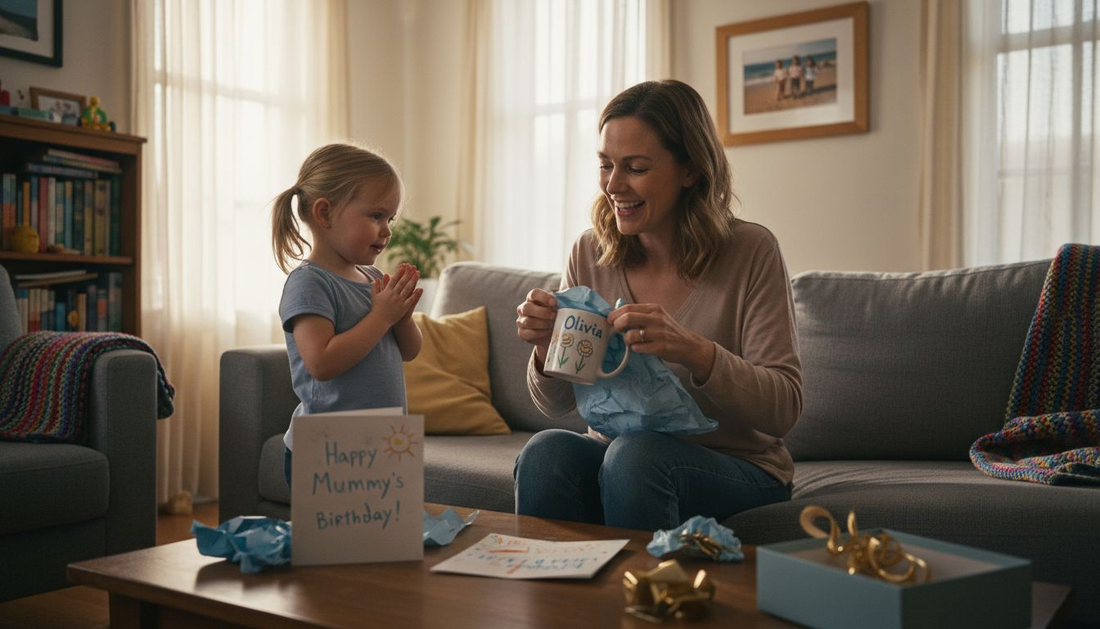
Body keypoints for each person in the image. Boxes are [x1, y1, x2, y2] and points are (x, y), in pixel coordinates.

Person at [513, 80, 802, 532]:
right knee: (545, 452)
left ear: (690, 169)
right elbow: (556, 406)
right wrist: (546, 350)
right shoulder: (590, 253)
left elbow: (783, 409)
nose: (613, 185)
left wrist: (694, 350)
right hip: (619, 455)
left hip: (738, 468)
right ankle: (551, 599)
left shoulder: (751, 249)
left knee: (637, 455)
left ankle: (646, 600)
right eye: (606, 165)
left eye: (636, 167)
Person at [271, 143, 423, 486]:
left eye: (390, 219)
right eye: (376, 216)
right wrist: (381, 317)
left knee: (384, 541)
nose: (387, 230)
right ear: (324, 213)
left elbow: (411, 352)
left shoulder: (373, 279)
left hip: (384, 443)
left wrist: (402, 318)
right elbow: (321, 363)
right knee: (332, 542)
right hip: (329, 448)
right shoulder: (309, 282)